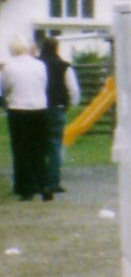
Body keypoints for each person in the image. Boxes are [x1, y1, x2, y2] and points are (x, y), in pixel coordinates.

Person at [1, 36, 51, 200]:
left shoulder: (9, 67)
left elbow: (5, 88)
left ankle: (25, 188)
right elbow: (44, 84)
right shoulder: (40, 65)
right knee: (39, 149)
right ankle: (44, 184)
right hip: (39, 109)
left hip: (18, 109)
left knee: (21, 150)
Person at [38, 35, 79, 195]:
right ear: (57, 48)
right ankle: (53, 181)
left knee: (38, 144)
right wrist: (70, 104)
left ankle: (39, 180)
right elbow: (73, 89)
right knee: (55, 145)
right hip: (57, 107)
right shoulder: (64, 66)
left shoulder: (36, 64)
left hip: (38, 108)